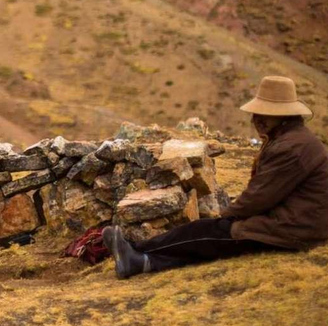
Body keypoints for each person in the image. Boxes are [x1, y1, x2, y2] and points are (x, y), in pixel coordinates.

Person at [103, 75, 328, 279]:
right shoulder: (294, 139)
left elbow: (260, 197)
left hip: (292, 229)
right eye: (256, 114)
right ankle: (142, 261)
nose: (256, 120)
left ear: (283, 116)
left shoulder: (289, 148)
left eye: (264, 115)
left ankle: (136, 250)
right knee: (206, 242)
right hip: (300, 224)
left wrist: (227, 215)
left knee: (205, 232)